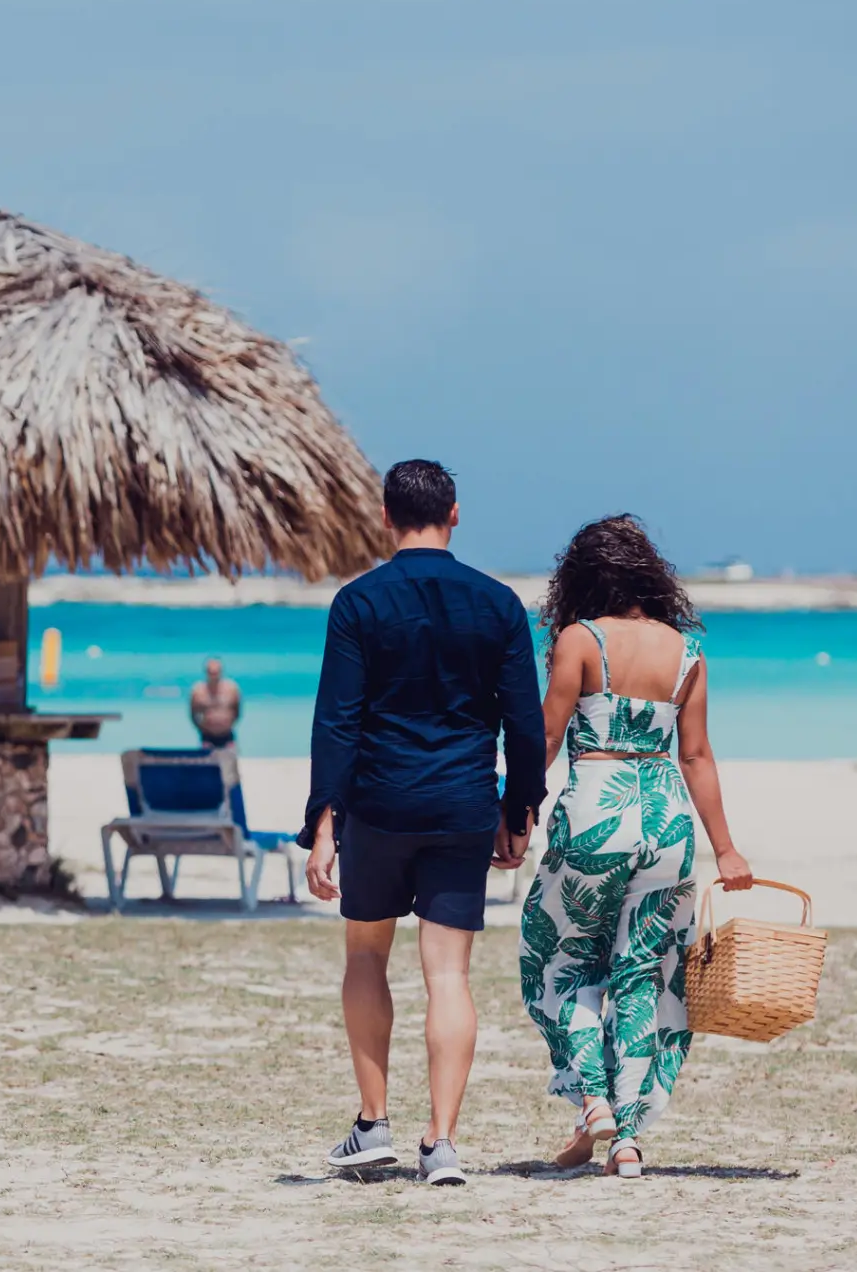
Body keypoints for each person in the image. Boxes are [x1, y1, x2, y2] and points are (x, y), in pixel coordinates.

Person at [301, 459, 545, 1186]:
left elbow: (336, 723)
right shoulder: (497, 603)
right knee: (448, 975)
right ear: (456, 514)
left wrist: (322, 822)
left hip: (378, 805)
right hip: (463, 804)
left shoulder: (358, 601)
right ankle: (440, 1143)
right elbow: (523, 725)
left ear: (384, 517)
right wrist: (518, 809)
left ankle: (373, 1123)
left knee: (367, 957)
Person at [519, 514, 752, 1179]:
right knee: (642, 973)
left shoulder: (580, 640)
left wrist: (514, 813)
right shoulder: (687, 652)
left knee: (558, 960)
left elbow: (548, 737)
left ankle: (594, 1099)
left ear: (585, 579)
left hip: (598, 810)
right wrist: (728, 851)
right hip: (669, 820)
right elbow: (698, 756)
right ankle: (627, 1139)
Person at [188, 657, 241, 748]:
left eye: (216, 673)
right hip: (207, 736)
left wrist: (226, 724)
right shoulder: (198, 691)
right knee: (207, 761)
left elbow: (237, 711)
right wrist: (203, 727)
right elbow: (192, 715)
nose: (214, 676)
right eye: (211, 673)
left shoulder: (232, 689)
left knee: (230, 760)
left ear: (221, 672)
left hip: (227, 735)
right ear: (206, 673)